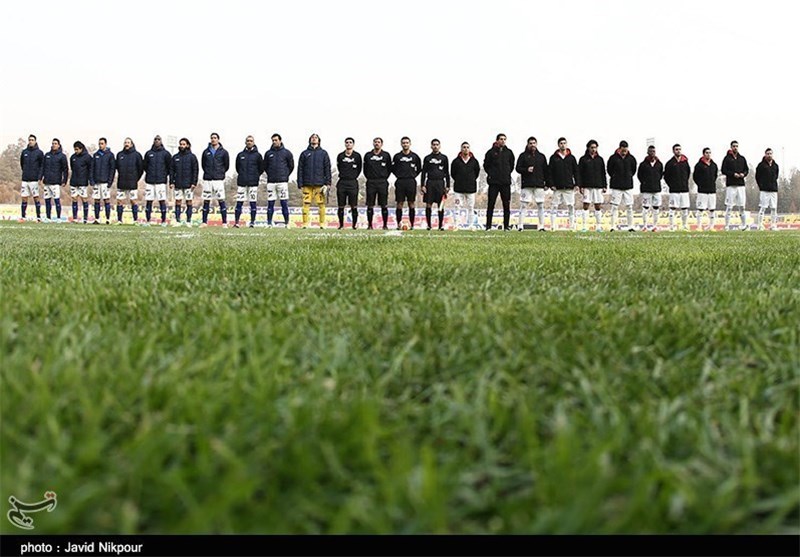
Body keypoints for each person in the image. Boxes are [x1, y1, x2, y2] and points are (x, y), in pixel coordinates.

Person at [297, 133, 332, 229]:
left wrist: (328, 183)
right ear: (309, 140)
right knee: (306, 204)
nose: (314, 139)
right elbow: (300, 168)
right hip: (306, 184)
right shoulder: (304, 153)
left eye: (316, 137)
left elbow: (327, 168)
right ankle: (305, 224)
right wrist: (300, 182)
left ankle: (322, 224)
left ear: (319, 140)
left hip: (319, 184)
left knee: (321, 204)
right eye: (312, 137)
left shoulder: (324, 153)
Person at [515, 136, 548, 231]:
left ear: (536, 144)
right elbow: (517, 168)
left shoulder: (541, 156)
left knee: (540, 205)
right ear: (527, 144)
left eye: (534, 143)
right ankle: (520, 226)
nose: (532, 145)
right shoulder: (523, 156)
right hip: (527, 184)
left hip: (539, 185)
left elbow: (546, 170)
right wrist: (526, 170)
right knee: (524, 205)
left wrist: (547, 183)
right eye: (530, 143)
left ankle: (541, 226)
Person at [483, 133, 515, 230]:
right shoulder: (490, 152)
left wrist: (505, 174)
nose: (503, 141)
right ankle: (488, 226)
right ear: (497, 140)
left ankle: (506, 226)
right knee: (491, 204)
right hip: (494, 183)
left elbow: (511, 166)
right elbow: (486, 166)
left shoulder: (509, 152)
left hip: (505, 183)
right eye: (501, 139)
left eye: (504, 139)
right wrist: (492, 174)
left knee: (506, 204)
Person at [548, 137, 579, 231]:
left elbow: (576, 172)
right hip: (557, 187)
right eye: (561, 143)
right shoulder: (553, 158)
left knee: (571, 206)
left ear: (567, 144)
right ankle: (553, 226)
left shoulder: (572, 158)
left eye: (564, 143)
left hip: (569, 187)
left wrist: (577, 184)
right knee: (554, 206)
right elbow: (550, 172)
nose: (563, 145)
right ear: (558, 145)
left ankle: (572, 226)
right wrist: (551, 184)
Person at [264, 133, 294, 227]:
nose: (274, 142)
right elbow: (265, 166)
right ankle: (269, 223)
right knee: (270, 203)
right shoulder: (268, 153)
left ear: (280, 140)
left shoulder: (287, 153)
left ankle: (287, 223)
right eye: (273, 140)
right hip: (271, 182)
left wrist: (285, 175)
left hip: (282, 182)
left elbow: (291, 166)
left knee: (284, 203)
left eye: (276, 140)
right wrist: (271, 175)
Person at [606, 140, 637, 231]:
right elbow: (609, 170)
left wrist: (628, 176)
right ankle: (613, 226)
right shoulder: (613, 158)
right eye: (623, 150)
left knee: (629, 206)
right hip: (616, 186)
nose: (624, 152)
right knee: (614, 206)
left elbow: (633, 170)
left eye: (626, 150)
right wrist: (616, 177)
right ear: (619, 149)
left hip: (628, 186)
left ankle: (630, 226)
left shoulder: (631, 158)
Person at [392, 137, 422, 230]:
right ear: (401, 144)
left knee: (411, 203)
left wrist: (412, 175)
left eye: (407, 143)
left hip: (411, 181)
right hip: (400, 181)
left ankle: (412, 224)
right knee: (399, 203)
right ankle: (398, 224)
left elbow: (419, 168)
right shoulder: (397, 156)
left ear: (410, 144)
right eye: (403, 143)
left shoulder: (415, 156)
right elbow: (393, 169)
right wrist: (399, 175)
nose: (405, 144)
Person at [201, 132, 230, 227]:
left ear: (218, 139)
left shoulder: (224, 152)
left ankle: (224, 223)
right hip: (208, 179)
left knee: (221, 200)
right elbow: (203, 165)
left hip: (218, 179)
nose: (213, 139)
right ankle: (204, 222)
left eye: (215, 138)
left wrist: (220, 173)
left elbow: (226, 165)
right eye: (212, 138)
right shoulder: (206, 152)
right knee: (206, 200)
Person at [577, 139, 607, 232]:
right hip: (587, 186)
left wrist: (605, 185)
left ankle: (598, 226)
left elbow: (603, 173)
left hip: (598, 186)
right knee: (586, 205)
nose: (594, 149)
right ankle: (584, 226)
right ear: (588, 148)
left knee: (598, 206)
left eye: (595, 147)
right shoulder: (583, 159)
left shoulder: (600, 159)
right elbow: (579, 173)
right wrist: (580, 185)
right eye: (592, 147)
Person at [421, 139, 450, 230]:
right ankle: (429, 225)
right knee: (428, 204)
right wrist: (422, 185)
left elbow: (447, 173)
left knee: (440, 205)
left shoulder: (444, 158)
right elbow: (423, 173)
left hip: (440, 183)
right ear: (431, 146)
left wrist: (448, 185)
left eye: (437, 144)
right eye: (433, 144)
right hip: (430, 183)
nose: (435, 146)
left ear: (439, 146)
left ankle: (440, 225)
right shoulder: (427, 158)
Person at [450, 142, 480, 230]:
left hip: (471, 189)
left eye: (467, 147)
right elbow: (453, 173)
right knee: (457, 207)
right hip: (458, 189)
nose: (465, 149)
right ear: (461, 149)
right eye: (464, 147)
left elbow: (476, 173)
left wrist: (471, 180)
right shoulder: (456, 161)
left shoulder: (474, 161)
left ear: (469, 149)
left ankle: (471, 225)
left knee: (471, 207)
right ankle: (456, 225)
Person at [363, 137, 392, 229]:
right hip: (371, 182)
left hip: (382, 182)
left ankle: (385, 225)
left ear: (381, 144)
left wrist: (384, 177)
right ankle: (370, 225)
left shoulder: (386, 155)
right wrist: (370, 177)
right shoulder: (368, 155)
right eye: (375, 142)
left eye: (378, 142)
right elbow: (365, 169)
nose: (377, 144)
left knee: (384, 204)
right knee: (370, 204)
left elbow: (389, 168)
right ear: (373, 143)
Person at [235, 135, 263, 228]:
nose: (249, 142)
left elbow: (261, 168)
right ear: (245, 142)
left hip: (253, 183)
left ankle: (252, 222)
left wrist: (255, 176)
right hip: (242, 183)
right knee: (239, 202)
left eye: (251, 141)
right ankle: (236, 222)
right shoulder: (240, 155)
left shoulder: (258, 155)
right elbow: (237, 168)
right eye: (247, 141)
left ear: (254, 142)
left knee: (253, 203)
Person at [143, 135, 172, 226]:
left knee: (162, 200)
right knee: (149, 200)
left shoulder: (166, 154)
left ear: (161, 141)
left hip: (161, 181)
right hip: (150, 181)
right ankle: (148, 220)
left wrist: (163, 175)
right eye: (155, 139)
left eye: (158, 139)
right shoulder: (148, 153)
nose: (157, 141)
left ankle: (163, 221)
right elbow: (145, 166)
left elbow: (169, 167)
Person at [170, 138, 199, 226]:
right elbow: (171, 170)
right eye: (181, 144)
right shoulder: (175, 157)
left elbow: (195, 170)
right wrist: (171, 182)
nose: (182, 146)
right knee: (178, 201)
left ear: (187, 145)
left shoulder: (192, 157)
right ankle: (178, 221)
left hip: (189, 184)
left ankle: (189, 221)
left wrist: (194, 182)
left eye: (184, 144)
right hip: (178, 183)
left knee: (189, 202)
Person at [721, 140, 749, 230]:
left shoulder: (742, 158)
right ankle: (727, 226)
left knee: (742, 206)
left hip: (741, 185)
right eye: (733, 146)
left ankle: (744, 225)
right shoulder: (727, 159)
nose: (735, 147)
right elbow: (723, 170)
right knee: (729, 206)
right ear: (731, 147)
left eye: (736, 146)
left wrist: (743, 174)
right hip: (731, 185)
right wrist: (733, 174)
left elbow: (746, 170)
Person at [115, 137, 144, 224]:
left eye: (128, 142)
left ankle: (135, 220)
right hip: (121, 182)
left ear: (131, 144)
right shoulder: (119, 155)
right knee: (120, 201)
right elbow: (117, 168)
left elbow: (140, 169)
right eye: (125, 142)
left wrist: (135, 179)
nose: (126, 144)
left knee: (133, 201)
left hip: (132, 182)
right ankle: (119, 220)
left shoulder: (137, 155)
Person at [336, 137, 362, 229]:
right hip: (342, 182)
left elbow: (359, 169)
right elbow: (339, 167)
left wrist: (352, 176)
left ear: (353, 144)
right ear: (345, 144)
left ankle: (354, 225)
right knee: (341, 205)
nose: (348, 144)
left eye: (350, 142)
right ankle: (341, 225)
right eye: (347, 142)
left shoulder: (357, 156)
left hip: (353, 182)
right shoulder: (340, 156)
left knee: (353, 205)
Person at [664, 144, 691, 231]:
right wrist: (671, 185)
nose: (678, 151)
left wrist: (684, 183)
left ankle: (684, 225)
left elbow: (688, 173)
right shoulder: (669, 163)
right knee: (672, 208)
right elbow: (666, 176)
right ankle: (671, 226)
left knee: (684, 208)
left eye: (679, 149)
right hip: (674, 190)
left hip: (684, 189)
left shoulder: (685, 162)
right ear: (673, 151)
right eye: (676, 149)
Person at [637, 145, 664, 231]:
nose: (652, 153)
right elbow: (639, 175)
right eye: (650, 151)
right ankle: (645, 226)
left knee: (656, 208)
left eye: (654, 151)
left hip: (656, 189)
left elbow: (660, 175)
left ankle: (654, 226)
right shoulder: (643, 164)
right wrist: (645, 182)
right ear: (647, 152)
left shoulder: (659, 164)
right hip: (646, 189)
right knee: (645, 207)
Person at [41, 138, 68, 223]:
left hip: (56, 182)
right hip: (47, 182)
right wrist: (40, 177)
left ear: (59, 145)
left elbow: (65, 169)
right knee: (47, 200)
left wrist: (64, 180)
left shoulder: (62, 156)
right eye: (53, 143)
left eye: (55, 143)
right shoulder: (47, 155)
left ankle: (58, 217)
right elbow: (43, 167)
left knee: (56, 200)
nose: (54, 145)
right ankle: (48, 217)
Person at [693, 147, 719, 231]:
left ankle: (711, 226)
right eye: (707, 153)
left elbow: (715, 176)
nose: (708, 154)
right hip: (702, 191)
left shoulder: (714, 165)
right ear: (703, 154)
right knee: (700, 209)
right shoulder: (699, 165)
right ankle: (699, 226)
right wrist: (701, 185)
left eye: (709, 153)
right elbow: (695, 177)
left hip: (712, 190)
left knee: (712, 209)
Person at [19, 134, 44, 222]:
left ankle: (38, 217)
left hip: (34, 179)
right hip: (25, 178)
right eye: (29, 140)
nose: (31, 141)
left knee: (36, 197)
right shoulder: (24, 152)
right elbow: (22, 164)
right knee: (24, 197)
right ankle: (23, 217)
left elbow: (42, 166)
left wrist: (39, 177)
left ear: (35, 141)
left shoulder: (39, 153)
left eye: (32, 140)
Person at [91, 137, 115, 224]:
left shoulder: (110, 155)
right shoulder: (95, 155)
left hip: (105, 182)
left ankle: (108, 219)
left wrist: (110, 181)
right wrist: (92, 180)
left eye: (102, 143)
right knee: (96, 200)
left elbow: (112, 169)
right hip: (97, 182)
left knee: (106, 199)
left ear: (105, 144)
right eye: (99, 144)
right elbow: (92, 168)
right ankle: (97, 219)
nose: (100, 145)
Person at [755, 148, 780, 231]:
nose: (769, 155)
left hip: (773, 190)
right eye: (768, 154)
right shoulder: (761, 165)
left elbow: (776, 176)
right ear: (765, 154)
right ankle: (760, 225)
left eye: (770, 154)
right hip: (764, 190)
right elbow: (757, 177)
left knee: (774, 208)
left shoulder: (775, 166)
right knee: (763, 208)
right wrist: (761, 186)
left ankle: (773, 225)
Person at [69, 141, 93, 223]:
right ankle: (75, 218)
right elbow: (72, 168)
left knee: (84, 199)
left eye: (77, 149)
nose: (76, 151)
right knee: (74, 199)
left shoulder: (87, 157)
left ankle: (85, 218)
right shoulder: (73, 157)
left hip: (83, 182)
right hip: (74, 181)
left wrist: (90, 179)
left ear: (81, 149)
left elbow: (90, 169)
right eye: (74, 149)